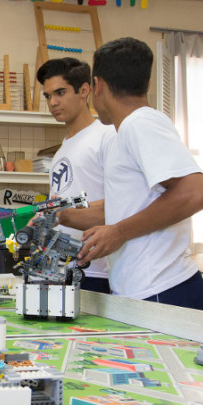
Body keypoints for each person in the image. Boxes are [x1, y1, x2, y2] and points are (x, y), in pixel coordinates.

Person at [58, 37, 203, 308]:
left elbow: (196, 193)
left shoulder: (140, 123)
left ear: (98, 86)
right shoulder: (129, 130)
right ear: (148, 84)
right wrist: (62, 215)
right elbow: (130, 206)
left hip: (160, 288)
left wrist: (118, 231)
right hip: (148, 289)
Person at [36, 57, 115, 294]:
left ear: (84, 90)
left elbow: (121, 206)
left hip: (95, 270)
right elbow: (59, 206)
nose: (53, 102)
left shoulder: (107, 137)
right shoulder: (63, 149)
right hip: (60, 268)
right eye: (48, 96)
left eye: (60, 92)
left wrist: (64, 215)